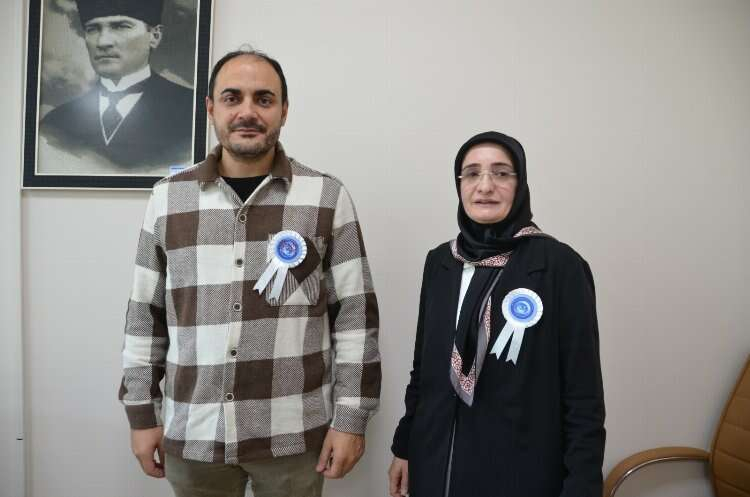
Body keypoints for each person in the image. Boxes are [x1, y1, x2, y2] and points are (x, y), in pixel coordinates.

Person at [119, 49, 381, 497]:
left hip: (294, 436)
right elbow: (145, 316)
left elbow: (356, 319)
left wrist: (351, 419)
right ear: (211, 108)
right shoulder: (167, 199)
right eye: (232, 97)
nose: (247, 112)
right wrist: (142, 414)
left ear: (284, 110)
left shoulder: (326, 197)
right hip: (195, 434)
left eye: (263, 99)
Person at [388, 131, 605, 497]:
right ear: (459, 184)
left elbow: (583, 396)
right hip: (434, 466)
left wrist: (582, 487)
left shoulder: (559, 266)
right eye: (472, 173)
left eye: (501, 173)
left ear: (520, 184)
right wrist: (405, 446)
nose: (485, 186)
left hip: (518, 474)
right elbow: (423, 369)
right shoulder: (440, 262)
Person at [40, 0, 193, 169]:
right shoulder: (56, 123)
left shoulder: (192, 112)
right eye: (92, 29)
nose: (102, 42)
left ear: (154, 36)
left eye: (121, 26)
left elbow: (188, 182)